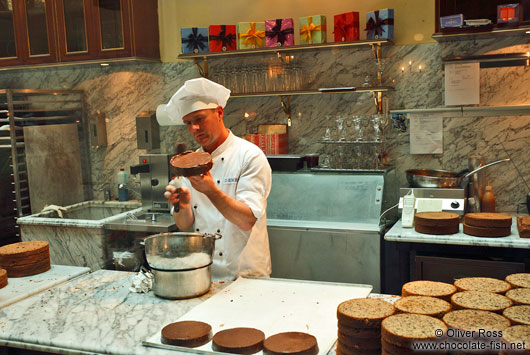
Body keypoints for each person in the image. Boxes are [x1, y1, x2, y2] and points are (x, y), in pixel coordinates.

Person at [163, 78, 272, 281]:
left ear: (219, 112)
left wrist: (211, 190)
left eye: (200, 119)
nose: (194, 128)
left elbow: (247, 220)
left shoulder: (249, 156)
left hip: (247, 275)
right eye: (188, 123)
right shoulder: (189, 163)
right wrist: (182, 207)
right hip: (205, 273)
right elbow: (184, 224)